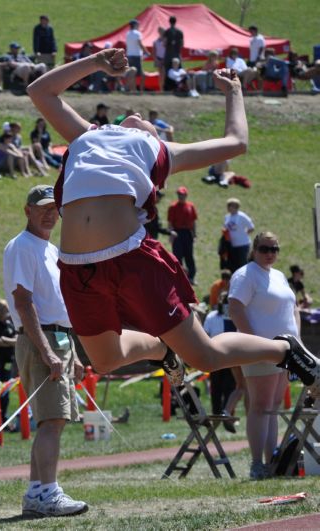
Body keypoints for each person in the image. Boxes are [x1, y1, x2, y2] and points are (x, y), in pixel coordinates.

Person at [25, 48, 320, 403]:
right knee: (104, 360)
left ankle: (284, 351)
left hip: (131, 258)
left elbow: (236, 143)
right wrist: (95, 63)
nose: (135, 117)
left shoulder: (160, 150)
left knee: (205, 357)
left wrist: (235, 93)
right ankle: (161, 349)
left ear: (156, 136)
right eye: (128, 116)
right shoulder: (86, 135)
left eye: (149, 122)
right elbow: (39, 91)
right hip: (76, 268)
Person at [2, 185, 87, 518]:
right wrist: (47, 351)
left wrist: (74, 353)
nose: (50, 213)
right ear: (27, 211)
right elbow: (24, 303)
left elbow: (58, 305)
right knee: (52, 419)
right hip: (44, 340)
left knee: (54, 420)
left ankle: (38, 491)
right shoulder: (22, 247)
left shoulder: (50, 249)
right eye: (43, 208)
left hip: (58, 339)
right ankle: (47, 492)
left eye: (54, 207)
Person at [229, 231, 296, 479]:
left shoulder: (278, 275)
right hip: (260, 351)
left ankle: (273, 462)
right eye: (265, 249)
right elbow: (235, 309)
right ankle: (258, 464)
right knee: (259, 406)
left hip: (287, 353)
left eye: (275, 249)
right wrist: (255, 343)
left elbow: (292, 308)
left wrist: (296, 343)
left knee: (273, 407)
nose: (270, 253)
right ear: (254, 250)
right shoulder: (246, 275)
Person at [203, 292, 240, 432]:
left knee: (230, 387)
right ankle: (216, 416)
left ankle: (227, 416)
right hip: (215, 355)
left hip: (230, 356)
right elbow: (206, 335)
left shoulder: (234, 316)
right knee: (216, 388)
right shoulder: (212, 316)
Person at [167, 186, 198, 285]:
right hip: (177, 233)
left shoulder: (190, 206)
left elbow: (193, 222)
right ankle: (179, 278)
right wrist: (171, 234)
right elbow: (170, 223)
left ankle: (191, 277)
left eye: (183, 195)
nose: (181, 197)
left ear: (186, 195)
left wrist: (194, 234)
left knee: (189, 256)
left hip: (188, 233)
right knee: (178, 256)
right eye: (179, 195)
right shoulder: (173, 207)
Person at [223, 198, 255, 273]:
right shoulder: (227, 217)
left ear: (236, 207)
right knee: (234, 265)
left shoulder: (242, 216)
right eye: (228, 206)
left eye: (231, 206)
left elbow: (251, 227)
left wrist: (244, 234)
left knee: (242, 264)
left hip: (242, 244)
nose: (228, 208)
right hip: (231, 245)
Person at [124, 20, 144, 93]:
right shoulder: (137, 33)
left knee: (132, 73)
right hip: (136, 56)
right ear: (135, 25)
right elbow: (140, 43)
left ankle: (133, 89)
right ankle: (138, 90)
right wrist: (146, 51)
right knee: (140, 75)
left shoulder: (128, 34)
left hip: (129, 55)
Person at [163, 16, 183, 81]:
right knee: (178, 70)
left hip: (168, 54)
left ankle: (168, 87)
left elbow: (164, 43)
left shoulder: (167, 31)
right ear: (175, 22)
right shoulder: (180, 32)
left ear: (169, 22)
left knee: (168, 71)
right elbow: (182, 44)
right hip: (177, 54)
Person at [153, 27, 167, 91]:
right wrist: (156, 59)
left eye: (162, 31)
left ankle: (164, 88)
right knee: (160, 74)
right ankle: (161, 89)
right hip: (158, 59)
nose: (161, 32)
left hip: (165, 59)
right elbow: (154, 51)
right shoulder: (156, 41)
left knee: (164, 74)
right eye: (160, 31)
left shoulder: (166, 40)